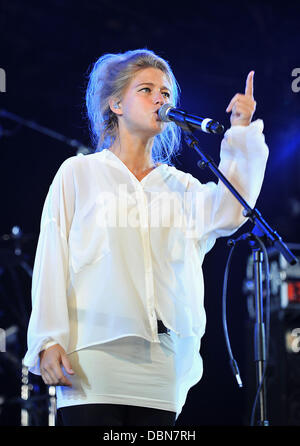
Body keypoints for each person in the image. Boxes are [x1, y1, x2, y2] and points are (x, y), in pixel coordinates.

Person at [23, 49, 269, 426]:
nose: (160, 99)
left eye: (166, 93)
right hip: (93, 362)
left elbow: (232, 209)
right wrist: (47, 340)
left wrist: (240, 130)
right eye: (147, 89)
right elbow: (51, 259)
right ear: (116, 104)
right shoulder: (79, 173)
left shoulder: (180, 187)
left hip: (162, 365)